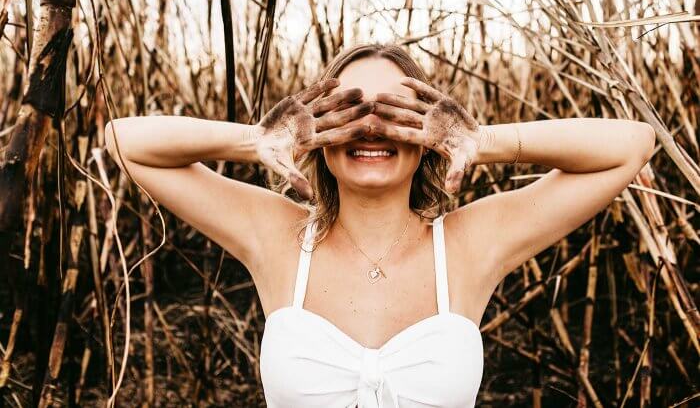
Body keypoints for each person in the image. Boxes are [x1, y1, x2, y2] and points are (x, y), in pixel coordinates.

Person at [104, 43, 655, 407]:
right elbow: (125, 142)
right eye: (349, 110)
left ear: (430, 131)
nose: (372, 129)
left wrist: (478, 142)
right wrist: (257, 138)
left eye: (396, 112)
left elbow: (631, 145)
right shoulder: (277, 236)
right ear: (317, 128)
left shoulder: (469, 244)